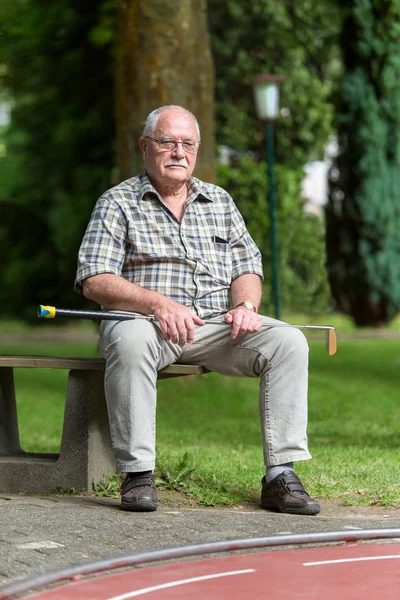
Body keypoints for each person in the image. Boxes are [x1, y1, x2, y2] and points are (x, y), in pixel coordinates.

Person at [74, 105, 320, 516]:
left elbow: (247, 267)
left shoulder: (219, 201)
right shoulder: (117, 202)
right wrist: (157, 303)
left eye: (187, 144)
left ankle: (280, 475)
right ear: (145, 146)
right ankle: (137, 474)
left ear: (198, 149)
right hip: (147, 324)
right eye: (167, 142)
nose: (178, 152)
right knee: (131, 340)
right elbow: (94, 278)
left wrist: (245, 304)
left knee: (289, 341)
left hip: (214, 325)